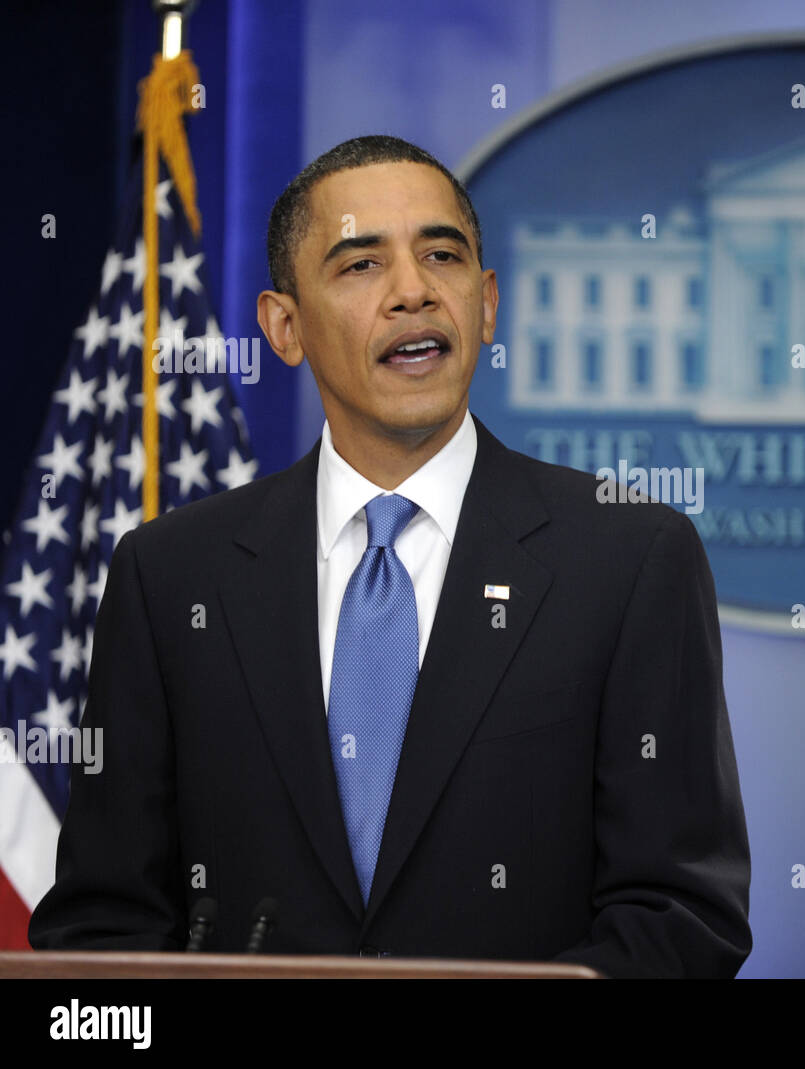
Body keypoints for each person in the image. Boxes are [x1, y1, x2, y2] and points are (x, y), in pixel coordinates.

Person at [27, 135, 752, 978]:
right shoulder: (171, 574)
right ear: (284, 326)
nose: (413, 291)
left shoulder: (630, 557)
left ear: (485, 303)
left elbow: (681, 917)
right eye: (361, 265)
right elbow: (104, 923)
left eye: (441, 255)